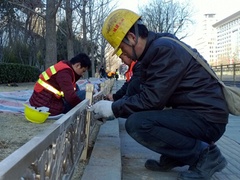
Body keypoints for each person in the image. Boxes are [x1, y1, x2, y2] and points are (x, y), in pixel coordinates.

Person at [90, 9, 229, 180]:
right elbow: (144, 93)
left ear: (132, 38)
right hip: (198, 113)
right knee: (140, 116)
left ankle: (206, 156)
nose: (123, 54)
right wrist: (116, 107)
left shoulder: (163, 50)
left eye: (122, 48)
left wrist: (113, 108)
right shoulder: (156, 49)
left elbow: (151, 100)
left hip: (207, 118)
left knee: (138, 124)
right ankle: (176, 155)